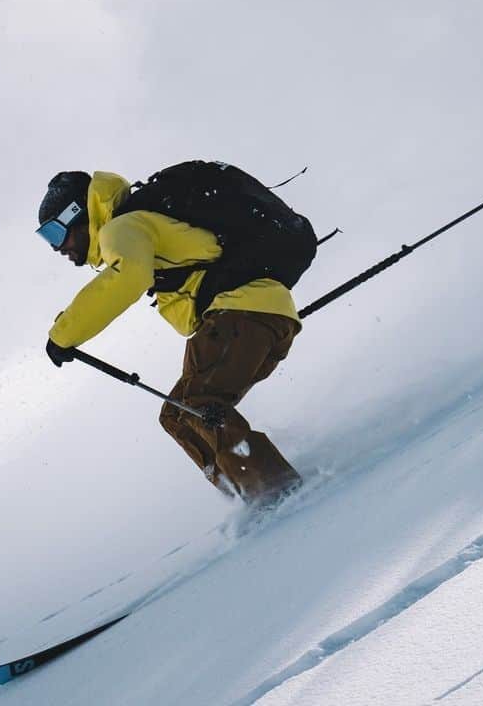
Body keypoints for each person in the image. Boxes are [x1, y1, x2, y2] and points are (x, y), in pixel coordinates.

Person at [36, 169, 304, 508]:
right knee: (177, 416)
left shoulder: (122, 229)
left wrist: (64, 334)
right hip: (244, 318)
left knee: (198, 404)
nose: (58, 248)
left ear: (78, 215)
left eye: (55, 233)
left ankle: (277, 492)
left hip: (243, 312)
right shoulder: (139, 229)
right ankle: (245, 495)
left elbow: (127, 279)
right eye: (47, 239)